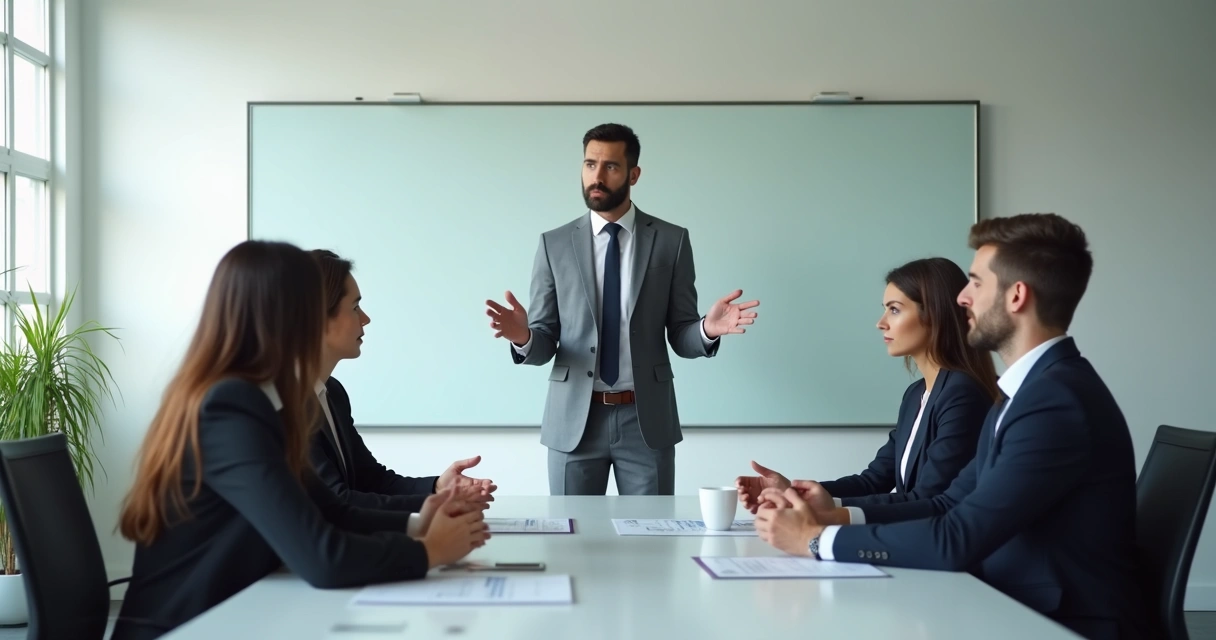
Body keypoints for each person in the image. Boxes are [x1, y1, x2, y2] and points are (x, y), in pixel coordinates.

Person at [754, 214, 1152, 640]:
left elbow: (956, 539)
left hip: (1058, 620)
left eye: (976, 283)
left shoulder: (1054, 404)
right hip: (1016, 600)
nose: (962, 298)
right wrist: (833, 516)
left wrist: (816, 541)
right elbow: (948, 505)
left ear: (1017, 296)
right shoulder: (1027, 393)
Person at [111, 241, 490, 640]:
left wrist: (419, 521)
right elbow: (321, 558)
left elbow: (329, 511)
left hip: (241, 614)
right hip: (190, 626)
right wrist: (430, 552)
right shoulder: (229, 408)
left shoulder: (266, 400)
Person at [485, 123, 758, 496]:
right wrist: (524, 337)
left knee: (653, 538)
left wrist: (707, 330)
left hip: (646, 421)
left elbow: (681, 334)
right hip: (573, 422)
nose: (597, 176)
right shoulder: (554, 244)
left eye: (610, 166)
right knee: (572, 539)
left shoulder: (671, 241)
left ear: (633, 174)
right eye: (589, 164)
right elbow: (545, 341)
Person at [736, 257, 998, 512]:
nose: (880, 322)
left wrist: (826, 508)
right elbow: (874, 481)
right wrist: (791, 493)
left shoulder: (962, 395)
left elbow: (930, 500)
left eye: (894, 309)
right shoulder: (916, 394)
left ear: (935, 314)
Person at [308, 249, 496, 512]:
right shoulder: (284, 404)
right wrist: (438, 504)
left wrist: (438, 487)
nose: (366, 319)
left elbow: (371, 480)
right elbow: (337, 502)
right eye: (355, 307)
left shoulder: (333, 392)